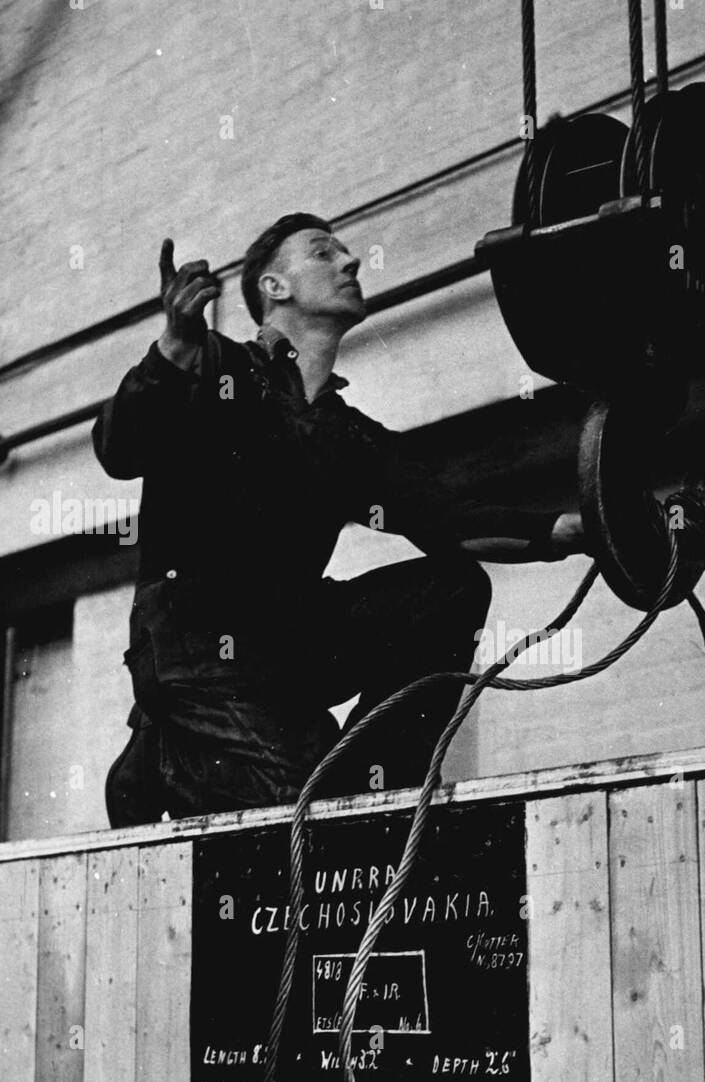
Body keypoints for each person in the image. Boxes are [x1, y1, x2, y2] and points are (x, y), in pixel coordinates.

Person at [94, 212, 586, 827]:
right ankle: (164, 758)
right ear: (275, 288)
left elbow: (452, 521)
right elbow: (120, 449)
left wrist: (571, 532)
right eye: (325, 253)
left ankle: (357, 794)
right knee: (290, 803)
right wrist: (172, 348)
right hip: (193, 643)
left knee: (453, 589)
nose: (350, 263)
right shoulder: (214, 368)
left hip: (282, 639)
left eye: (347, 253)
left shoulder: (346, 437)